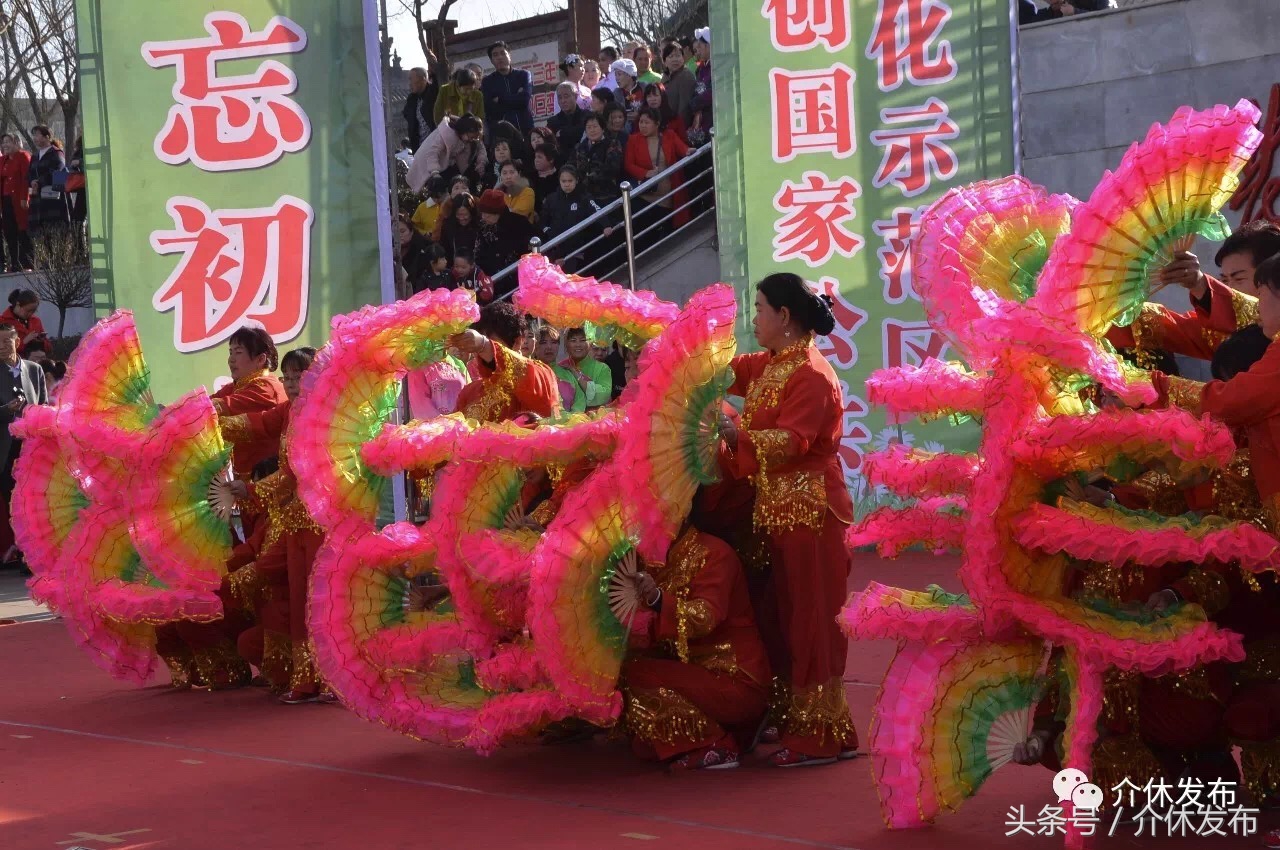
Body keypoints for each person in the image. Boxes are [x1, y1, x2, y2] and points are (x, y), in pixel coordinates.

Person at [714, 272, 858, 766]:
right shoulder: (773, 363)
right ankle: (794, 716)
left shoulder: (813, 375)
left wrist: (735, 435)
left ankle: (818, 733)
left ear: (784, 317)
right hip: (780, 509)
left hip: (813, 510)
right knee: (781, 615)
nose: (752, 318)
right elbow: (726, 372)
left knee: (812, 621)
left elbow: (792, 441)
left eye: (758, 309)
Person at [220, 347, 331, 704]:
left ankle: (331, 678)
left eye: (301, 376)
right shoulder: (289, 412)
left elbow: (301, 473)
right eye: (289, 378)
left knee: (320, 605)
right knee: (301, 604)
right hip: (294, 523)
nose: (294, 384)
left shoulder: (329, 417)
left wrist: (251, 488)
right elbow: (256, 423)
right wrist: (205, 421)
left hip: (321, 522)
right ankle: (306, 679)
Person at [622, 523, 772, 770]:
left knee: (637, 674)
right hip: (696, 673)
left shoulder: (713, 552)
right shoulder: (652, 558)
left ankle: (715, 744)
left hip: (732, 678)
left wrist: (658, 600)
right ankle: (732, 730)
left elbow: (705, 617)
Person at [210, 327, 288, 537]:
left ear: (260, 359)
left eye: (238, 352)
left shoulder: (266, 388)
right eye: (230, 352)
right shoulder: (239, 386)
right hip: (246, 489)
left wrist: (182, 415)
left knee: (267, 549)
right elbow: (209, 402)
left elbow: (216, 408)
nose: (231, 359)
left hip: (269, 487)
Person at [450, 301, 560, 423]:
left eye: (492, 342)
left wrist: (484, 345)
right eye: (475, 347)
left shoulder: (541, 373)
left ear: (518, 342)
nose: (481, 353)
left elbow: (545, 404)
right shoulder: (469, 392)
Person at [0, 323, 47, 574]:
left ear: (17, 342)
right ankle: (22, 553)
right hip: (6, 451)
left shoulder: (34, 369)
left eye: (6, 341)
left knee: (36, 503)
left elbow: (44, 404)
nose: (2, 347)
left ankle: (34, 555)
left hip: (32, 448)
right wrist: (5, 411)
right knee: (13, 504)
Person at [625, 108, 693, 245]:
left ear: (657, 124)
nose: (642, 126)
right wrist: (645, 173)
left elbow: (683, 149)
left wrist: (689, 151)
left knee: (666, 236)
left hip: (667, 195)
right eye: (641, 122)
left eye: (647, 122)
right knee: (645, 236)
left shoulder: (669, 135)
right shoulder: (633, 139)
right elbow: (628, 164)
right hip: (644, 196)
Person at [539, 165, 601, 274]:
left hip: (576, 249)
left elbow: (597, 211)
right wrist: (548, 231)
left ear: (576, 180)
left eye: (570, 181)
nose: (567, 184)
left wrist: (606, 225)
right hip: (554, 246)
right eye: (563, 181)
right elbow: (543, 220)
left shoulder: (584, 197)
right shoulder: (551, 199)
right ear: (559, 181)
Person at [408, 114, 487, 192]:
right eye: (470, 137)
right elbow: (432, 153)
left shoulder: (471, 136)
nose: (471, 140)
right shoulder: (446, 134)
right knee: (442, 187)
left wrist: (481, 164)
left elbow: (480, 148)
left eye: (474, 138)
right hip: (431, 164)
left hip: (449, 163)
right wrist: (435, 173)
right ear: (464, 131)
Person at [474, 189, 535, 287]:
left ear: (498, 213)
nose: (484, 218)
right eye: (483, 214)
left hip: (515, 276)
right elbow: (479, 252)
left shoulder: (519, 223)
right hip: (491, 278)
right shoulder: (483, 227)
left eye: (488, 215)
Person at [481, 41, 534, 137]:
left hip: (526, 130)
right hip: (502, 134)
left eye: (503, 53)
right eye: (495, 55)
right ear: (491, 60)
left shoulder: (523, 75)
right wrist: (516, 97)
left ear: (509, 55)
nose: (500, 57)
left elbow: (524, 100)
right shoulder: (487, 81)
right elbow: (491, 109)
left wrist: (500, 99)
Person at [573, 114, 624, 209]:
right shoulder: (580, 147)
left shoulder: (612, 144)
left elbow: (612, 169)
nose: (592, 130)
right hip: (585, 196)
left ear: (602, 128)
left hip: (607, 195)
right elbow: (574, 168)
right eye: (589, 127)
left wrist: (588, 177)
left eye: (595, 126)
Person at [27, 125, 69, 234]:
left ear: (47, 137)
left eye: (37, 135)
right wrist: (32, 181)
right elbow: (29, 173)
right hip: (37, 201)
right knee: (38, 235)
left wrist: (40, 182)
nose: (35, 138)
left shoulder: (56, 153)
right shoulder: (35, 156)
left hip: (52, 200)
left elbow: (58, 172)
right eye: (34, 135)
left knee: (53, 234)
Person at [559, 327, 612, 412]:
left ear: (590, 343)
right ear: (566, 344)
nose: (578, 344)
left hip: (595, 420)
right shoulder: (560, 367)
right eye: (573, 340)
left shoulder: (602, 368)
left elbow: (603, 396)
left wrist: (576, 375)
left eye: (583, 340)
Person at [0, 135, 32, 271]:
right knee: (9, 232)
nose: (5, 145)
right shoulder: (3, 160)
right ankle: (14, 263)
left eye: (8, 142)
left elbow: (26, 179)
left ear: (17, 143)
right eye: (3, 142)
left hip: (19, 200)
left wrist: (25, 197)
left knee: (22, 231)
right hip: (6, 200)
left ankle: (27, 263)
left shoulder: (23, 157)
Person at [1, 289, 52, 356]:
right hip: (12, 363)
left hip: (36, 362)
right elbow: (3, 348)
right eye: (28, 311)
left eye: (33, 311)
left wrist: (42, 342)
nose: (30, 314)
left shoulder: (36, 321)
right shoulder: (3, 321)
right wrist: (24, 342)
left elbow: (49, 348)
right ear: (18, 305)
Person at [661, 43, 696, 133]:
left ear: (683, 58)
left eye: (678, 55)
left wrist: (678, 130)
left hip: (679, 129)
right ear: (664, 61)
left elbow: (684, 108)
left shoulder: (686, 75)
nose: (675, 59)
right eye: (671, 56)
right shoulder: (665, 78)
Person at [687, 30, 713, 147]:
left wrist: (696, 102)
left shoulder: (717, 66)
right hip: (700, 117)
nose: (698, 50)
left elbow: (714, 92)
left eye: (700, 46)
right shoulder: (701, 68)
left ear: (708, 46)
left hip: (712, 117)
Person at [404, 66, 439, 152]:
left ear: (423, 79)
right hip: (420, 148)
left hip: (437, 145)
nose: (409, 83)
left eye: (411, 79)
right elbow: (407, 114)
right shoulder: (412, 99)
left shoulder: (434, 93)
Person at [395, 218, 435, 293]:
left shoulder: (424, 251)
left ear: (411, 232)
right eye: (394, 232)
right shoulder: (386, 254)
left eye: (402, 231)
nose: (398, 235)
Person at [548, 82, 589, 154]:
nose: (563, 101)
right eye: (560, 98)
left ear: (575, 96)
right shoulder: (552, 122)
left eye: (566, 96)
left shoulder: (587, 116)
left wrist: (562, 133)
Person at [439, 194, 479, 261]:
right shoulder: (448, 226)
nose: (462, 218)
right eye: (458, 214)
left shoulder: (479, 226)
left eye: (465, 214)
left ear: (471, 213)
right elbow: (444, 249)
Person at [612, 59, 644, 130]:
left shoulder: (644, 88)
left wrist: (640, 115)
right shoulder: (616, 94)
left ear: (629, 74)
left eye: (619, 74)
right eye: (615, 75)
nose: (616, 78)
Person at [530, 146, 560, 213]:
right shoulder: (530, 177)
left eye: (539, 157)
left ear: (551, 159)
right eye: (535, 157)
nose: (536, 160)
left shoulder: (560, 176)